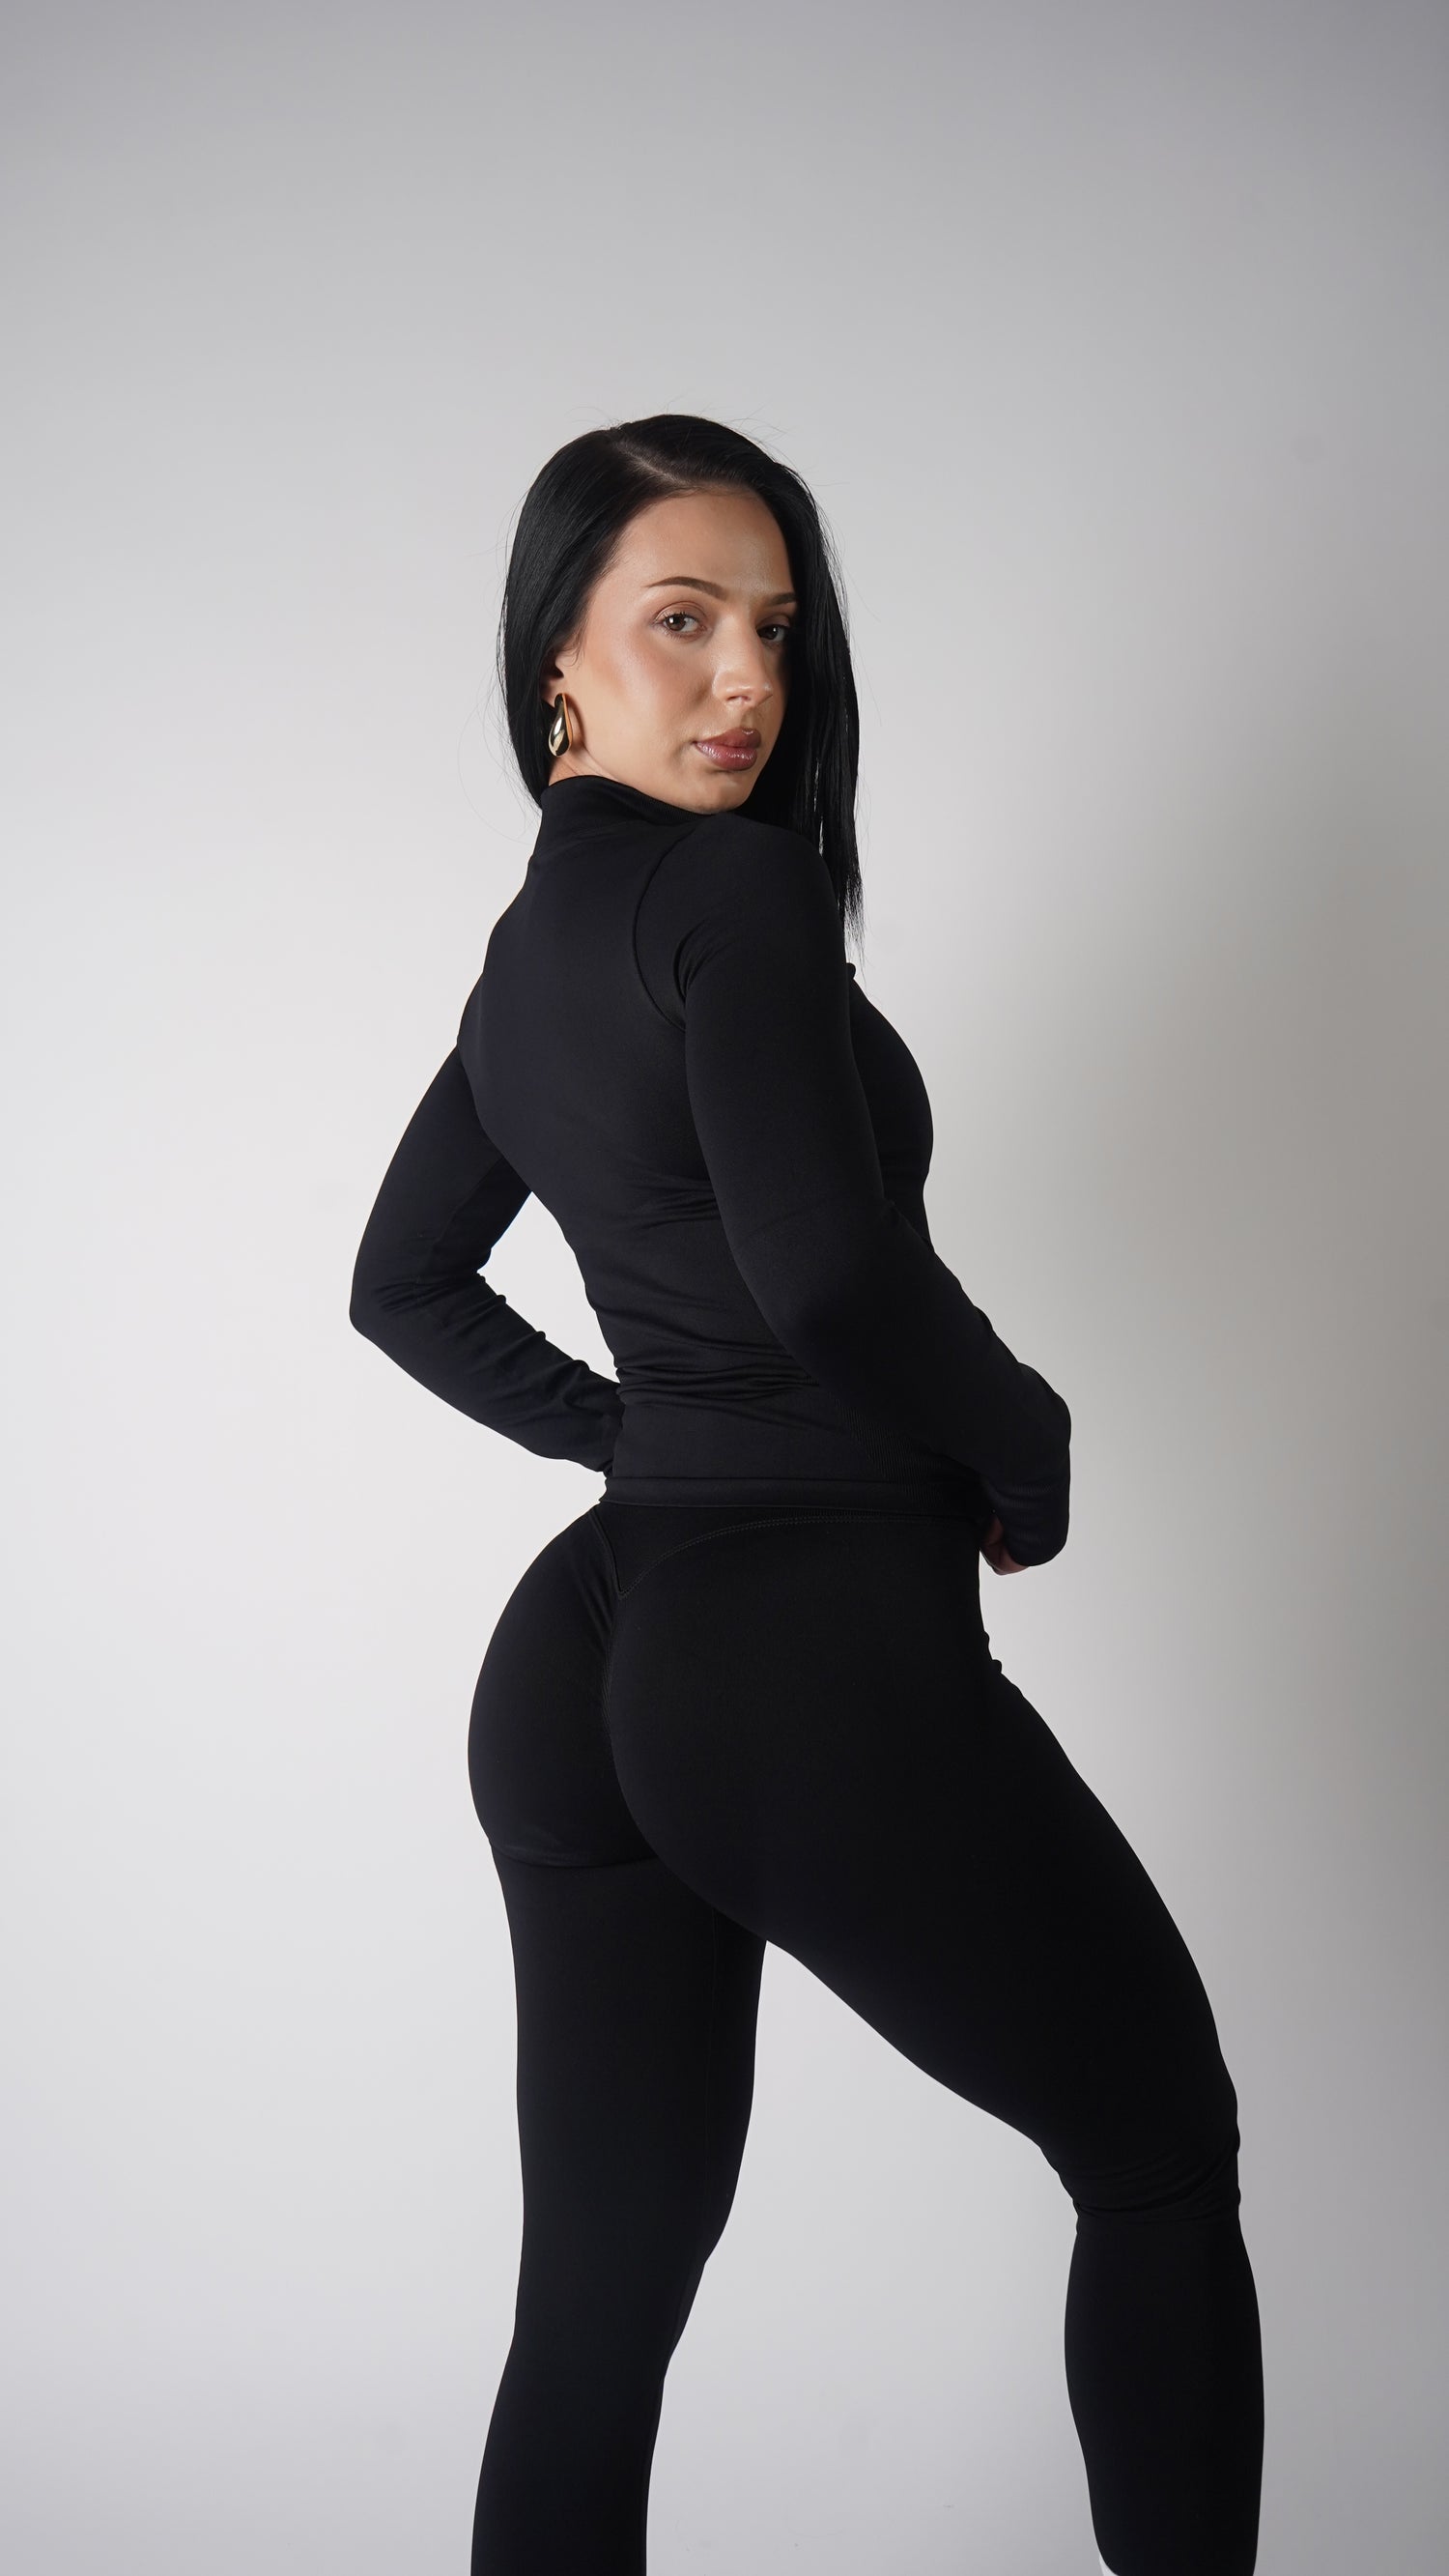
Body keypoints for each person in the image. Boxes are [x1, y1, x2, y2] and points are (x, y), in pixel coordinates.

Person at [349, 413, 1264, 2576]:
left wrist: (639, 1441)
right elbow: (831, 1275)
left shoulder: (533, 947)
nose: (745, 676)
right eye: (681, 622)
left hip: (589, 1651)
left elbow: (399, 1284)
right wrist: (1024, 1443)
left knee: (596, 2300)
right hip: (790, 1653)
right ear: (558, 665)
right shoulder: (735, 894)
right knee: (1160, 2155)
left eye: (773, 626)